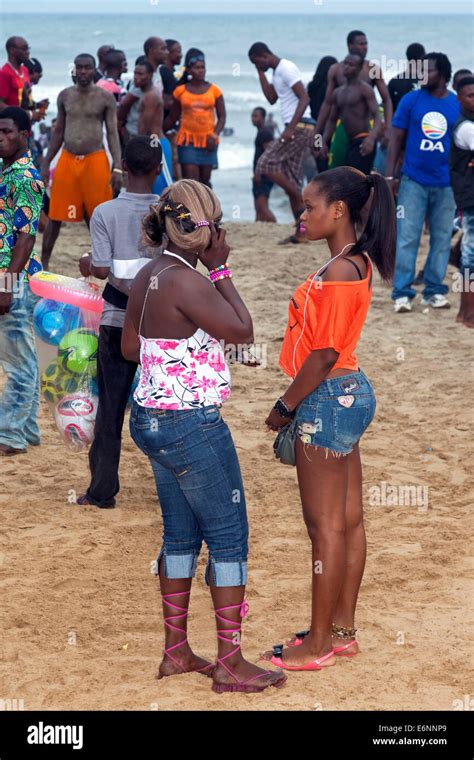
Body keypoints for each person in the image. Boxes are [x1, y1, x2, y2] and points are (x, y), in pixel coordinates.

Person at [121, 178, 286, 694]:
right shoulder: (190, 281)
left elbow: (130, 347)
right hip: (189, 423)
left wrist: (177, 352)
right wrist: (220, 269)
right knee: (228, 537)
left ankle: (176, 652)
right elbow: (242, 330)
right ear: (207, 229)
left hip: (149, 416)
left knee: (179, 535)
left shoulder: (151, 273)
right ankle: (230, 662)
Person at [260, 167, 395, 672]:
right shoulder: (352, 261)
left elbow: (323, 354)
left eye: (310, 206)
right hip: (349, 393)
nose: (303, 214)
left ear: (338, 211)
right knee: (349, 520)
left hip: (326, 394)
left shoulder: (340, 270)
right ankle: (341, 631)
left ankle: (318, 645)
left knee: (325, 528)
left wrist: (284, 407)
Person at [76, 136, 162, 508]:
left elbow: (100, 268)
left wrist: (85, 263)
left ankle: (102, 491)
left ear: (122, 167)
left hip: (116, 320)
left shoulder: (104, 212)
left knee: (110, 407)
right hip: (161, 321)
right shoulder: (166, 211)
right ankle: (174, 486)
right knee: (165, 405)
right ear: (159, 169)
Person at [385, 52, 460, 312]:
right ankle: (402, 293)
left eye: (428, 71)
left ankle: (433, 291)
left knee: (441, 238)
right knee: (407, 237)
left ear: (443, 74)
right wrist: (390, 175)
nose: (422, 75)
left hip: (447, 183)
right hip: (413, 180)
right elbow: (395, 139)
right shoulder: (411, 100)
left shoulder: (456, 104)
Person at [40, 53, 122, 268]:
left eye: (87, 67)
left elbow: (112, 133)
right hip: (68, 158)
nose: (83, 71)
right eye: (79, 67)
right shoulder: (65, 96)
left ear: (94, 70)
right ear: (74, 70)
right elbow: (58, 132)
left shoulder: (105, 98)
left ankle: (106, 262)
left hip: (95, 158)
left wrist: (118, 167)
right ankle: (44, 263)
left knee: (97, 214)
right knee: (56, 213)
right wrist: (47, 161)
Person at [0, 107, 44, 455]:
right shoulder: (7, 171)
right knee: (23, 356)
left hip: (14, 279)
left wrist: (7, 285)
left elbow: (26, 237)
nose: (1, 137)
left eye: (8, 132)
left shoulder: (25, 177)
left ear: (25, 135)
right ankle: (27, 428)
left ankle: (10, 434)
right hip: (16, 277)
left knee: (19, 362)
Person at [248, 42, 315, 243]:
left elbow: (305, 98)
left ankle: (300, 196)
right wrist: (260, 72)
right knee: (291, 179)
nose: (256, 65)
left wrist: (290, 128)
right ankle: (302, 233)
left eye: (256, 61)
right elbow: (270, 99)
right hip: (298, 127)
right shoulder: (276, 73)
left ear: (264, 55)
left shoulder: (286, 68)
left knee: (264, 163)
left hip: (300, 127)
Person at [316, 30, 393, 169]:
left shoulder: (372, 69)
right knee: (337, 169)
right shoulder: (336, 69)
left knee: (365, 173)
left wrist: (387, 128)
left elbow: (386, 100)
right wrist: (317, 137)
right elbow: (327, 105)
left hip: (367, 127)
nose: (365, 47)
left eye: (366, 44)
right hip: (342, 125)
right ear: (350, 45)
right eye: (360, 44)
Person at [164, 49, 225, 187]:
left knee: (205, 183)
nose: (200, 71)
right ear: (189, 70)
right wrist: (158, 131)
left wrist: (215, 135)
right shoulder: (181, 91)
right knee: (191, 183)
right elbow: (173, 117)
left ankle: (207, 208)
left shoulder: (214, 90)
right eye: (197, 68)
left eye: (202, 67)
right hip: (187, 142)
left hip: (209, 142)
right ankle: (192, 208)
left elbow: (222, 117)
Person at [322, 54, 381, 174]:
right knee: (348, 180)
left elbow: (377, 116)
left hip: (363, 142)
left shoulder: (365, 89)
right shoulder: (338, 92)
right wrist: (323, 141)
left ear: (359, 68)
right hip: (349, 142)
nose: (346, 67)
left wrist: (371, 138)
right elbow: (332, 120)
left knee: (359, 181)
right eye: (345, 64)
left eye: (351, 65)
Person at [450, 76, 474, 327]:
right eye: (470, 96)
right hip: (469, 196)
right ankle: (468, 315)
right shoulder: (466, 127)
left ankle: (465, 314)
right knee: (471, 255)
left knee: (468, 249)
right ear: (460, 98)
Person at [0, 37, 45, 122]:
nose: (28, 52)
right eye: (24, 49)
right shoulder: (4, 73)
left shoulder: (24, 70)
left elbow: (24, 99)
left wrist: (37, 106)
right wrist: (29, 114)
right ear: (12, 50)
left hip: (25, 129)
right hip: (11, 128)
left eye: (28, 48)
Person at [307, 56, 337, 172]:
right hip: (330, 127)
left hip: (316, 127)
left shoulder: (312, 86)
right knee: (330, 157)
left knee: (319, 156)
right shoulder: (333, 89)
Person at [251, 106, 276, 222]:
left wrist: (259, 173)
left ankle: (274, 223)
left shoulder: (265, 132)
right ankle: (258, 224)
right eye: (252, 116)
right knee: (258, 207)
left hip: (263, 174)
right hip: (261, 173)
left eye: (256, 116)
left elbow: (269, 155)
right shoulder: (262, 131)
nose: (253, 119)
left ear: (263, 118)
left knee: (262, 206)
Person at [388, 43, 426, 113]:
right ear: (423, 57)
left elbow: (387, 106)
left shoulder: (394, 82)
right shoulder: (427, 81)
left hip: (398, 121)